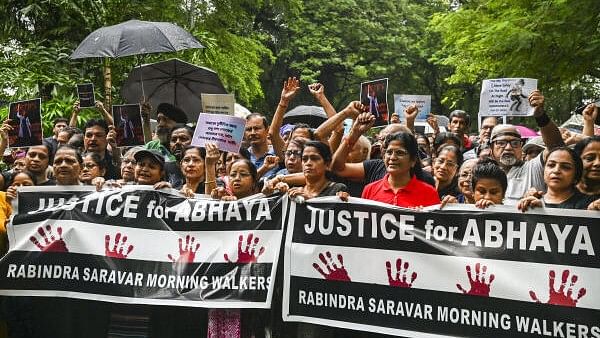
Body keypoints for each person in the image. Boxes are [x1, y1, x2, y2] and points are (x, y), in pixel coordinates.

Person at [490, 90, 564, 205]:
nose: (508, 148)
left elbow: (556, 147)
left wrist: (541, 116)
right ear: (491, 150)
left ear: (521, 148)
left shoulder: (533, 169)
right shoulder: (485, 176)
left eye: (515, 143)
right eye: (501, 143)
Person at [361, 131, 440, 207]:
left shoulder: (429, 193)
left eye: (400, 153)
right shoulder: (370, 190)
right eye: (389, 152)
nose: (392, 157)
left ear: (413, 160)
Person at [518, 147, 600, 211]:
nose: (556, 170)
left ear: (576, 176)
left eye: (565, 167)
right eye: (551, 165)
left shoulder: (591, 204)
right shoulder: (531, 201)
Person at [275, 141, 347, 201]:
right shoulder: (295, 190)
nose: (308, 163)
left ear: (327, 164)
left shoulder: (337, 189)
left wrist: (310, 199)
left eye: (314, 158)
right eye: (304, 159)